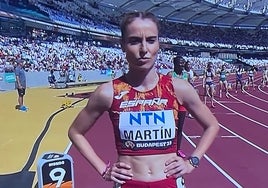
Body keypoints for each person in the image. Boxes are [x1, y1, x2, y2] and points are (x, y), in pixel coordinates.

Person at [68, 11, 219, 188]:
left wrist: (192, 161)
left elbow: (212, 125)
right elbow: (75, 132)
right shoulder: (109, 92)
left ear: (158, 44)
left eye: (151, 40)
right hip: (128, 183)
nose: (144, 49)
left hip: (169, 182)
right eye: (134, 41)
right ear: (123, 45)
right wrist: (103, 169)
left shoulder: (178, 88)